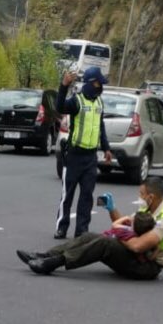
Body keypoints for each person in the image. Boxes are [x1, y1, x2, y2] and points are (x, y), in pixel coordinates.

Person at [16, 177, 163, 280]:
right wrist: (112, 209)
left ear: (151, 197)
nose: (140, 198)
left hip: (146, 267)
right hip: (136, 257)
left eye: (142, 194)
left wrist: (116, 234)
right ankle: (44, 255)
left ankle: (53, 263)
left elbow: (137, 246)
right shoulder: (147, 209)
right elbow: (126, 228)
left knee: (105, 242)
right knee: (89, 236)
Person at [54, 67, 112, 239]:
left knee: (87, 196)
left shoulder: (99, 103)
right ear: (89, 83)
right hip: (73, 156)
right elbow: (60, 107)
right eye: (98, 83)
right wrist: (63, 86)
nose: (101, 86)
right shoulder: (77, 101)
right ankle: (61, 227)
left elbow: (101, 128)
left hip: (91, 158)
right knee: (67, 195)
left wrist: (107, 148)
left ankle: (82, 231)